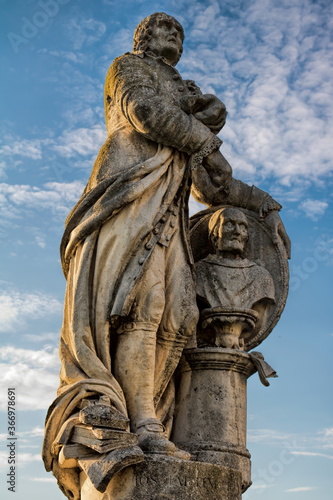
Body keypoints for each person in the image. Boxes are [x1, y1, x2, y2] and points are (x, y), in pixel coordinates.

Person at [43, 12, 290, 497]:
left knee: (178, 316)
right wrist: (201, 125)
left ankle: (149, 417)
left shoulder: (184, 95)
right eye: (165, 29)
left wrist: (264, 204)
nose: (174, 37)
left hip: (168, 218)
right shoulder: (129, 68)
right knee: (141, 306)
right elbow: (143, 112)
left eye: (180, 32)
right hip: (126, 201)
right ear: (144, 37)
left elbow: (212, 182)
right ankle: (141, 426)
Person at [196, 207, 275, 324]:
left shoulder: (261, 277)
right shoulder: (199, 272)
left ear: (247, 236)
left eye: (242, 226)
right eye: (229, 224)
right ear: (214, 233)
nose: (237, 231)